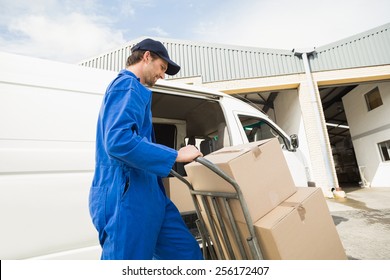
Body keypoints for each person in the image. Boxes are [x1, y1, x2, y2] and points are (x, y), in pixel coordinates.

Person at [88, 38, 203, 260]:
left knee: (187, 255)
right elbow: (118, 141)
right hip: (128, 197)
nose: (162, 75)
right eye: (162, 68)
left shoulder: (136, 90)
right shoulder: (126, 85)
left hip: (151, 194)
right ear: (147, 56)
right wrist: (176, 154)